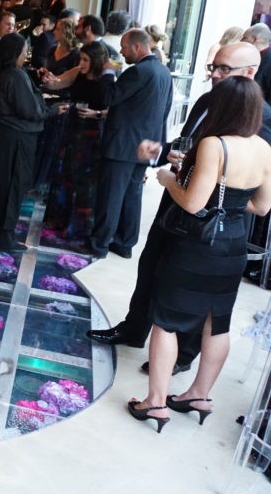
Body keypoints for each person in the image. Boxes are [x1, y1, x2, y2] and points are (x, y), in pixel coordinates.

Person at [87, 42, 271, 359]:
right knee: (150, 268)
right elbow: (189, 144)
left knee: (191, 294)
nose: (214, 74)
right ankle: (133, 329)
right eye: (213, 67)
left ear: (250, 72)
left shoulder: (261, 117)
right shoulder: (205, 101)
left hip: (211, 220)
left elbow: (252, 180)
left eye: (224, 69)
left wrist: (186, 175)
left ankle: (181, 356)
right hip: (176, 204)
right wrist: (163, 153)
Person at [128, 76, 271, 433]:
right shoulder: (264, 148)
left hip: (196, 246)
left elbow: (192, 203)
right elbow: (263, 205)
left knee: (166, 319)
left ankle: (155, 402)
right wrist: (232, 203)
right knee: (216, 322)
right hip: (234, 243)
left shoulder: (214, 144)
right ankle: (199, 395)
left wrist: (167, 180)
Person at [84, 28, 173, 259]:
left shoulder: (138, 71)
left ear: (137, 46)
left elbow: (108, 97)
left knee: (111, 195)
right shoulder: (164, 72)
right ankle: (125, 243)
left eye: (124, 47)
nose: (121, 52)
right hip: (144, 145)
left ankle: (99, 243)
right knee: (132, 195)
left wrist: (107, 72)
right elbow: (165, 111)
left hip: (122, 144)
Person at [0, 34, 65, 250]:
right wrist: (53, 110)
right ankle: (3, 238)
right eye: (25, 51)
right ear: (15, 53)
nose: (27, 55)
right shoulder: (14, 75)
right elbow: (29, 110)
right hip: (14, 140)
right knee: (11, 187)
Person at [42, 41, 114, 242]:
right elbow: (56, 83)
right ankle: (59, 219)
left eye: (85, 60)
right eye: (81, 58)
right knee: (65, 174)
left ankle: (78, 226)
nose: (81, 63)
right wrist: (49, 79)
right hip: (72, 128)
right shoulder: (78, 72)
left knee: (84, 181)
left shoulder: (108, 80)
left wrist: (97, 114)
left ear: (97, 61)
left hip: (91, 135)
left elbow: (115, 110)